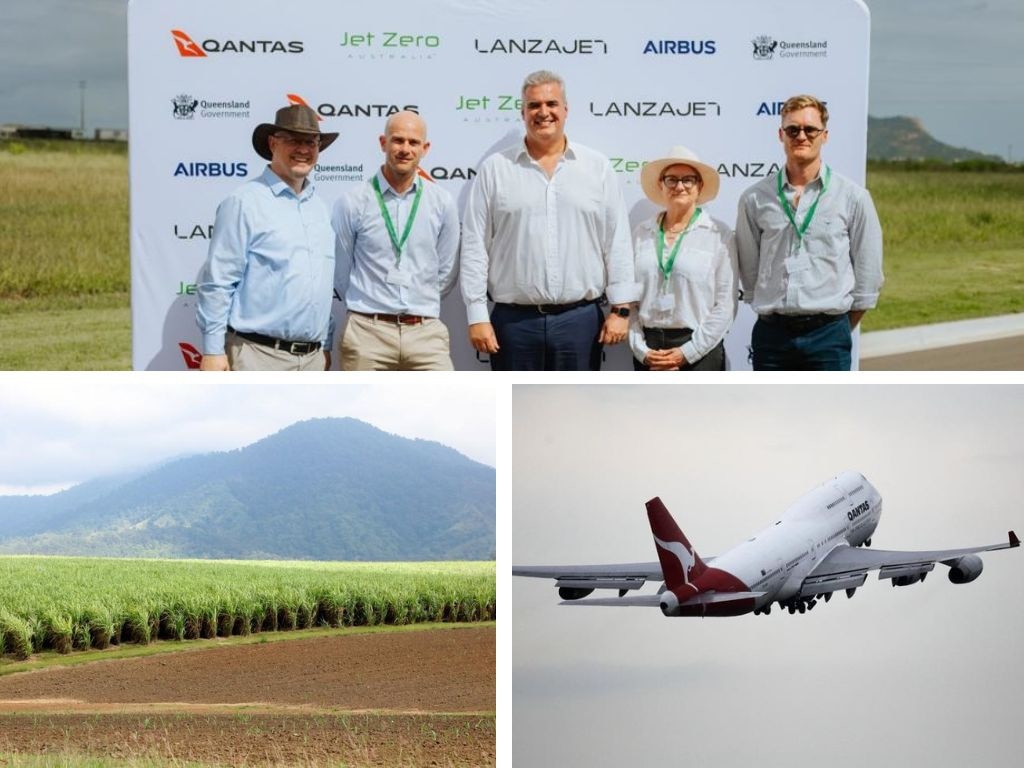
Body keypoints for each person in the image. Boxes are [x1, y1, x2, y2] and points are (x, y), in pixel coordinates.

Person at [460, 70, 638, 370]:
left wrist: (621, 311)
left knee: (578, 410)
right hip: (513, 324)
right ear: (522, 112)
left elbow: (616, 241)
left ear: (566, 110)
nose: (543, 112)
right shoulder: (495, 169)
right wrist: (477, 315)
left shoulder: (597, 168)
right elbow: (475, 245)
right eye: (534, 106)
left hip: (580, 323)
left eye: (551, 104)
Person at [735, 94, 883, 370]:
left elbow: (868, 274)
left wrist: (835, 326)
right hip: (772, 337)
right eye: (792, 129)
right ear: (781, 134)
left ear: (824, 135)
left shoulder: (853, 197)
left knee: (828, 413)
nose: (801, 136)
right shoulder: (754, 199)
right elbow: (750, 272)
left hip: (828, 335)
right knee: (769, 412)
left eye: (810, 129)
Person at [196, 104, 338, 371]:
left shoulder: (319, 208)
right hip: (257, 356)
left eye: (311, 142)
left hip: (313, 360)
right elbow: (218, 282)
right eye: (294, 140)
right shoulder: (244, 203)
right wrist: (213, 350)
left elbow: (318, 285)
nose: (304, 149)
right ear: (273, 143)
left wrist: (325, 344)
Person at [332, 111, 459, 370]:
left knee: (445, 407)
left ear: (425, 148)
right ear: (383, 143)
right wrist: (372, 306)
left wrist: (419, 301)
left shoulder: (442, 202)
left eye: (413, 143)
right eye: (397, 140)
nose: (405, 149)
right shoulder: (353, 202)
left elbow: (446, 272)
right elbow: (341, 272)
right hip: (367, 334)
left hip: (425, 333)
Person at [630, 147, 737, 371]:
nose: (680, 186)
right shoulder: (641, 233)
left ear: (699, 187)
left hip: (700, 351)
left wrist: (687, 353)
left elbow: (725, 305)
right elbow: (629, 300)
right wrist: (642, 351)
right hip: (650, 352)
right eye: (671, 180)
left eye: (688, 180)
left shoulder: (719, 234)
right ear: (661, 185)